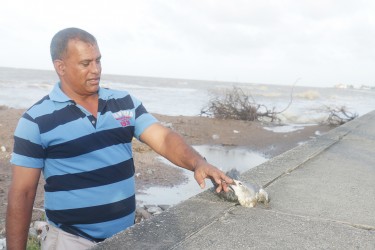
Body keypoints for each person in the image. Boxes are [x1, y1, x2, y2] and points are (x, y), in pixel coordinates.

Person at [6, 27, 233, 250]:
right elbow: (23, 194)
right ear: (60, 67)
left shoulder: (124, 103)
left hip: (126, 237)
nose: (96, 70)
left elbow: (163, 138)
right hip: (70, 241)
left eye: (98, 60)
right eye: (86, 63)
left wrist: (198, 162)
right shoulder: (36, 120)